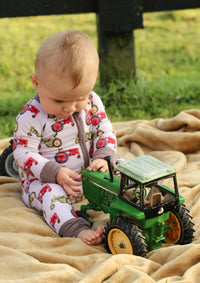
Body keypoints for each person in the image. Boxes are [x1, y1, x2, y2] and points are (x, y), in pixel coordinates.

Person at [13, 30, 117, 246]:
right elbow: (23, 152)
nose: (70, 108)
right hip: (45, 181)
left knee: (124, 170)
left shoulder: (93, 101)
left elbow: (104, 130)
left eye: (79, 98)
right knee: (51, 197)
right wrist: (55, 173)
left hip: (90, 176)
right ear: (36, 83)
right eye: (59, 100)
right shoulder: (32, 116)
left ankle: (138, 204)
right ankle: (74, 228)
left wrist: (103, 157)